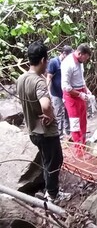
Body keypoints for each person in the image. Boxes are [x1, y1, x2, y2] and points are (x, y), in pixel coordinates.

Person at [17, 41, 71, 202]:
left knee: (48, 160)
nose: (47, 63)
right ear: (42, 60)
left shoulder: (21, 79)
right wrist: (51, 115)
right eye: (46, 60)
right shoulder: (38, 81)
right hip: (45, 131)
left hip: (33, 130)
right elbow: (46, 104)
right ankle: (52, 195)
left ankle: (50, 190)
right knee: (55, 161)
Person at [61, 43, 93, 157]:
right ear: (79, 53)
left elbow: (81, 79)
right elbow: (66, 87)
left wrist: (86, 90)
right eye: (85, 58)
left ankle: (83, 145)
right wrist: (80, 95)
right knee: (75, 123)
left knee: (83, 120)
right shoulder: (67, 64)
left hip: (80, 92)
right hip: (71, 97)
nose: (85, 61)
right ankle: (79, 150)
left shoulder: (80, 62)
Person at [46, 45, 73, 139]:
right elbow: (49, 76)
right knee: (58, 114)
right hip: (56, 93)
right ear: (64, 54)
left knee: (67, 112)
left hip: (66, 92)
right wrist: (48, 91)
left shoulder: (68, 63)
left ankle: (68, 132)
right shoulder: (54, 62)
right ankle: (59, 134)